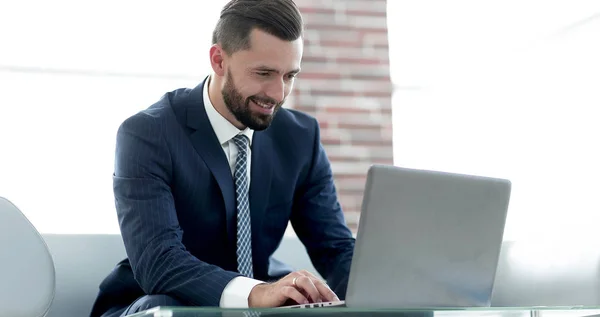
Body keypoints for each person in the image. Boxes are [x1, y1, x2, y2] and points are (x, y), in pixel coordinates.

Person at [90, 0, 355, 316]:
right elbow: (159, 262)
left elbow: (335, 248)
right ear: (218, 60)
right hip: (156, 302)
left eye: (289, 76)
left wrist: (391, 287)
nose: (278, 93)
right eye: (264, 73)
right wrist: (255, 292)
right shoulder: (148, 134)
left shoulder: (300, 138)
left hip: (259, 301)